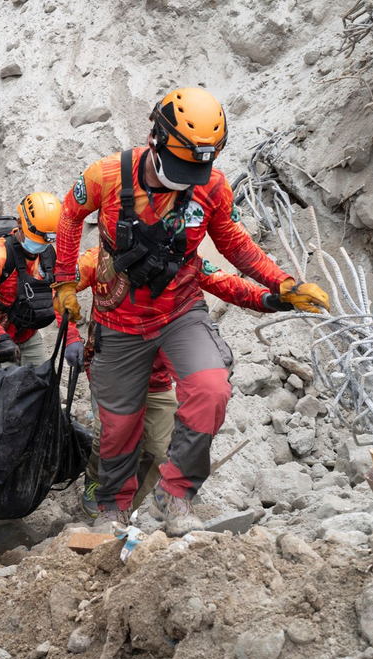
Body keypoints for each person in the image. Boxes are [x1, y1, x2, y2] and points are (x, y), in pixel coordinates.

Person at [52, 87, 330, 529]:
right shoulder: (105, 175)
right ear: (155, 139)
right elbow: (69, 216)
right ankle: (109, 505)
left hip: (181, 311)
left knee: (211, 388)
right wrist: (65, 281)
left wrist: (283, 283)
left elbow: (235, 244)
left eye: (199, 167)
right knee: (120, 427)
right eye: (182, 165)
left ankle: (175, 495)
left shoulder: (212, 187)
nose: (188, 176)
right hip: (118, 322)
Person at [73, 248, 298, 519]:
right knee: (110, 435)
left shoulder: (180, 261)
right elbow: (59, 287)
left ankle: (126, 505)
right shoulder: (97, 260)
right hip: (113, 368)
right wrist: (72, 335)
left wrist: (266, 298)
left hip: (156, 379)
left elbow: (224, 282)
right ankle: (96, 485)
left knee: (159, 449)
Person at [0, 192, 81, 386]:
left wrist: (71, 336)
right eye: (37, 238)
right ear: (20, 223)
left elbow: (59, 294)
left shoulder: (47, 254)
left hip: (29, 336)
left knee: (40, 394)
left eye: (46, 241)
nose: (40, 245)